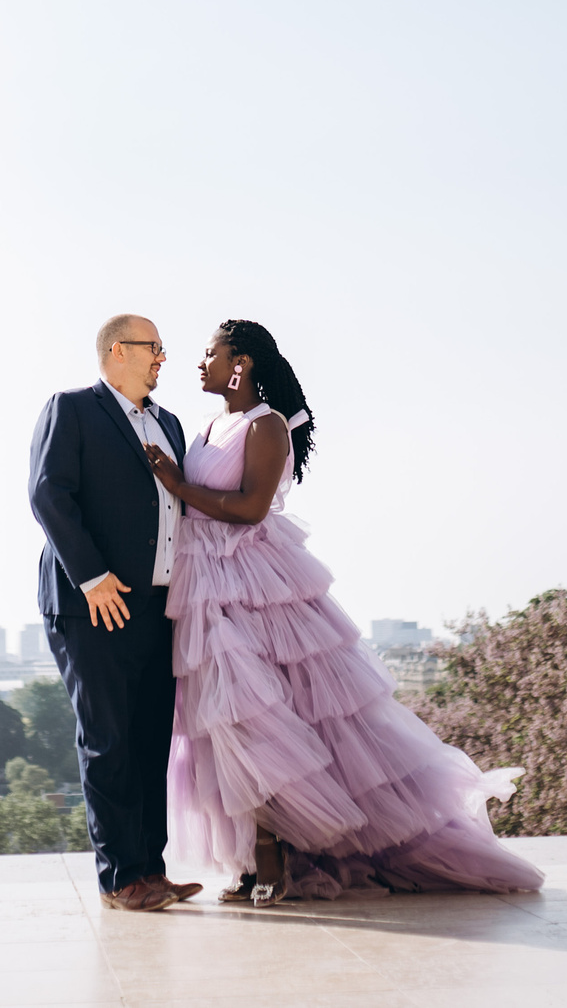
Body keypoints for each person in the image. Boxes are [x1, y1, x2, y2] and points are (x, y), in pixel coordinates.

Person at [148, 319, 543, 902]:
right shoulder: (207, 425)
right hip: (203, 583)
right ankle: (253, 855)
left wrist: (178, 485)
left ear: (242, 363)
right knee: (222, 724)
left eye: (211, 353)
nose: (199, 363)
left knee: (259, 719)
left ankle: (272, 854)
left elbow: (252, 508)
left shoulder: (267, 425)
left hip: (254, 585)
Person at [27, 314, 204, 913]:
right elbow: (48, 493)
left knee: (152, 741)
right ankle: (120, 878)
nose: (163, 358)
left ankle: (151, 870)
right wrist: (93, 578)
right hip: (94, 605)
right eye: (154, 347)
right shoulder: (72, 409)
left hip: (159, 605)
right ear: (118, 351)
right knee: (108, 741)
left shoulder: (170, 424)